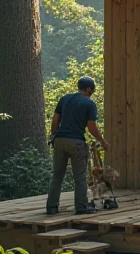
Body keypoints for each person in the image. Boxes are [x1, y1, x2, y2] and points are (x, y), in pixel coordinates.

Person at [46, 76, 108, 215]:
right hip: (76, 142)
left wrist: (54, 135)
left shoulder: (65, 99)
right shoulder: (89, 103)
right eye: (92, 90)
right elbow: (91, 126)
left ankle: (51, 207)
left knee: (56, 175)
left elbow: (56, 118)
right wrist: (102, 141)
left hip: (60, 140)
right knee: (79, 176)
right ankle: (81, 207)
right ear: (88, 89)